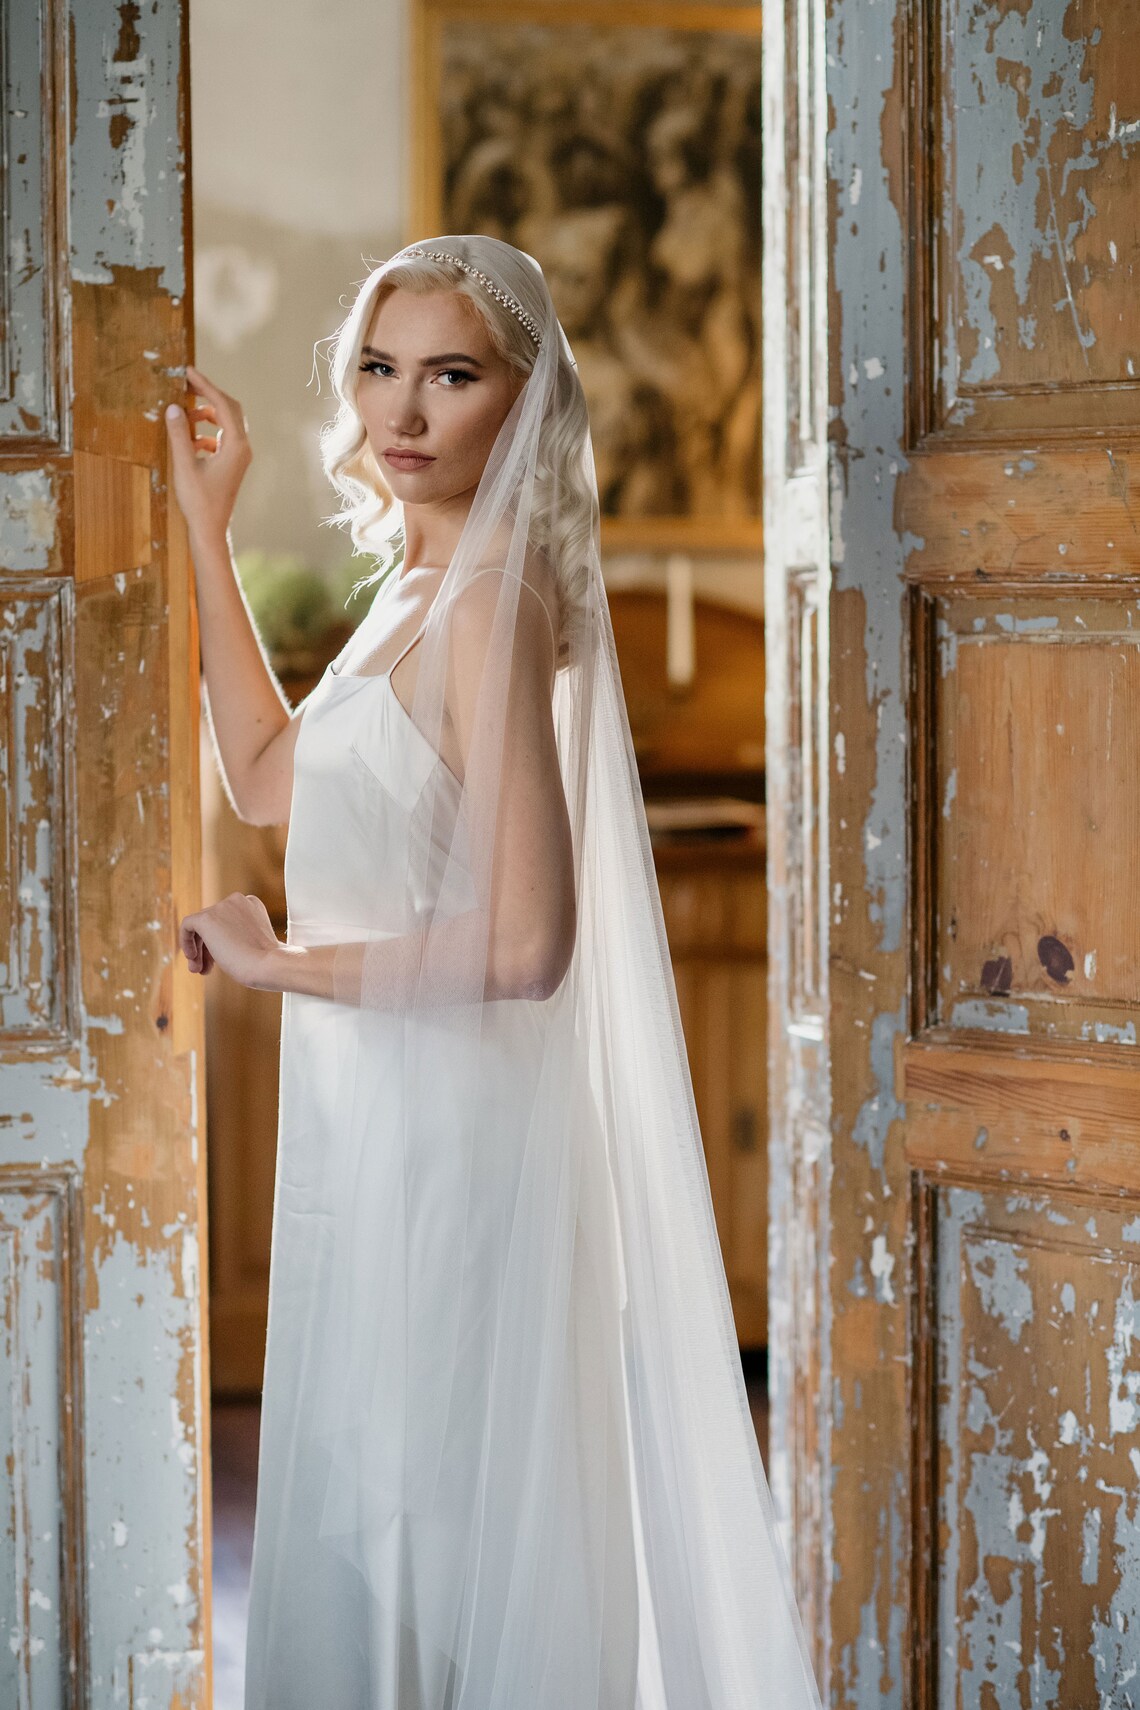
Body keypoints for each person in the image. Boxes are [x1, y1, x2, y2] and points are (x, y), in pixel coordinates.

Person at [166, 235, 824, 1710]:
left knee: (443, 1538)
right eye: (380, 368)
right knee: (379, 1535)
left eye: (450, 375)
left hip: (456, 1143)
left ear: (523, 402)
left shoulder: (493, 603)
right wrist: (209, 527)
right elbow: (266, 777)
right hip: (369, 1127)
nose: (402, 412)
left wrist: (285, 962)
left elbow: (530, 946)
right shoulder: (415, 586)